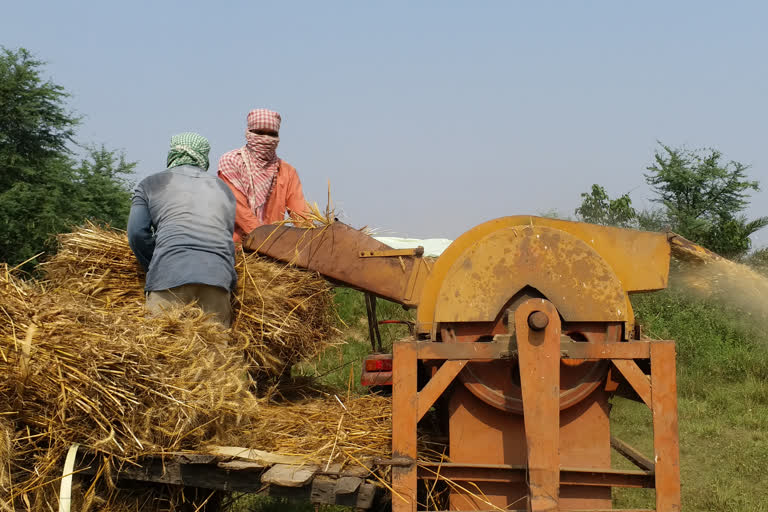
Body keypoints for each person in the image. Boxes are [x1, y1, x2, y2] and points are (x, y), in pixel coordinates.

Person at [127, 132, 238, 327]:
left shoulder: (150, 184)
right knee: (215, 354)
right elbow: (227, 240)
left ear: (172, 153)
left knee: (162, 351)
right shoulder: (224, 189)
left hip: (169, 276)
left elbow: (136, 233)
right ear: (204, 156)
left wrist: (154, 265)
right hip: (217, 278)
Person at [217, 109, 309, 242]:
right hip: (236, 248)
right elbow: (238, 208)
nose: (266, 139)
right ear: (249, 132)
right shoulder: (232, 161)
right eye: (260, 133)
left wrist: (313, 238)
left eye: (272, 134)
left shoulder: (287, 171)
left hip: (272, 248)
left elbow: (300, 215)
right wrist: (264, 241)